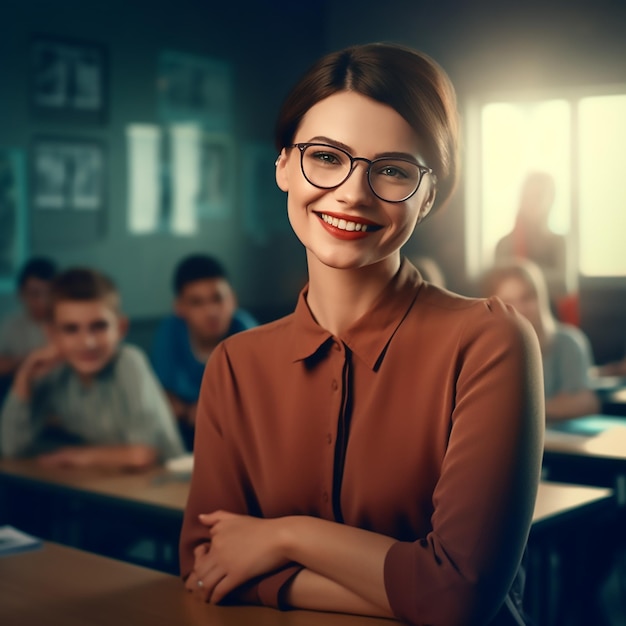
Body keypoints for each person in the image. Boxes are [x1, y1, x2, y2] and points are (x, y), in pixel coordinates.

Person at [180, 43, 544, 626]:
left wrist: (283, 539)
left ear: (428, 197)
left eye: (394, 169)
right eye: (326, 156)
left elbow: (460, 599)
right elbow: (205, 564)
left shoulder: (490, 341)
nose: (352, 192)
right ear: (281, 165)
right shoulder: (235, 362)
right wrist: (413, 588)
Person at [0, 267, 185, 469]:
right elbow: (11, 448)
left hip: (169, 486)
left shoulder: (129, 361)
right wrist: (24, 377)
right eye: (71, 329)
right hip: (113, 484)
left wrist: (76, 456)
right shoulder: (56, 371)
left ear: (120, 328)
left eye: (99, 326)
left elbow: (144, 454)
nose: (87, 342)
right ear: (52, 334)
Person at [151, 254, 257, 449]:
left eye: (218, 299)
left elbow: (253, 400)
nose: (211, 311)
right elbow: (161, 395)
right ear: (180, 308)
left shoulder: (248, 334)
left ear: (233, 299)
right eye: (197, 302)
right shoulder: (170, 331)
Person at [482, 258, 599, 421]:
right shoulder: (484, 351)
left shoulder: (568, 342)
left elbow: (585, 402)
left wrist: (520, 411)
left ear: (540, 298)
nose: (519, 309)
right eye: (508, 302)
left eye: (527, 298)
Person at [495, 171, 568, 304]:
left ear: (551, 199)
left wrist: (522, 277)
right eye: (528, 197)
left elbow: (563, 284)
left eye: (538, 197)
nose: (532, 203)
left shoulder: (558, 242)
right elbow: (498, 287)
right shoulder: (505, 244)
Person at [0, 256, 57, 379]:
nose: (43, 301)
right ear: (21, 293)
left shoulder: (67, 323)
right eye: (35, 294)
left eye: (49, 293)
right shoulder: (11, 325)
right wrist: (30, 360)